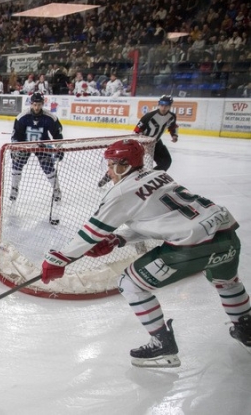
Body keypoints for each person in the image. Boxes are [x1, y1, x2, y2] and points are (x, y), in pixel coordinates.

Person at [41, 138, 250, 367]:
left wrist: (59, 259)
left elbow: (91, 233)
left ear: (125, 165)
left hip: (192, 247)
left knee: (130, 284)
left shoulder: (121, 193)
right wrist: (120, 238)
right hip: (227, 235)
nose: (108, 171)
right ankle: (246, 330)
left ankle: (163, 346)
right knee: (227, 282)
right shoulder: (159, 175)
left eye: (112, 165)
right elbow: (164, 221)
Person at [9, 92, 63, 202]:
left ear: (43, 104)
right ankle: (14, 190)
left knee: (48, 167)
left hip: (42, 145)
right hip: (25, 145)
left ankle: (57, 191)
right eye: (34, 104)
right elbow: (16, 135)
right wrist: (15, 148)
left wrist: (59, 148)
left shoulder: (50, 118)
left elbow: (57, 135)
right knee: (17, 165)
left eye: (39, 104)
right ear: (31, 104)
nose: (37, 107)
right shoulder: (22, 117)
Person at [134, 95, 179, 171]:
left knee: (166, 162)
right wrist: (143, 144)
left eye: (166, 105)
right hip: (143, 144)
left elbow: (173, 126)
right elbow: (137, 131)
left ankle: (151, 176)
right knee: (136, 165)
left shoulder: (172, 116)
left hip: (156, 142)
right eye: (162, 105)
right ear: (158, 104)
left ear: (170, 106)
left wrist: (174, 135)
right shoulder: (149, 116)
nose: (164, 108)